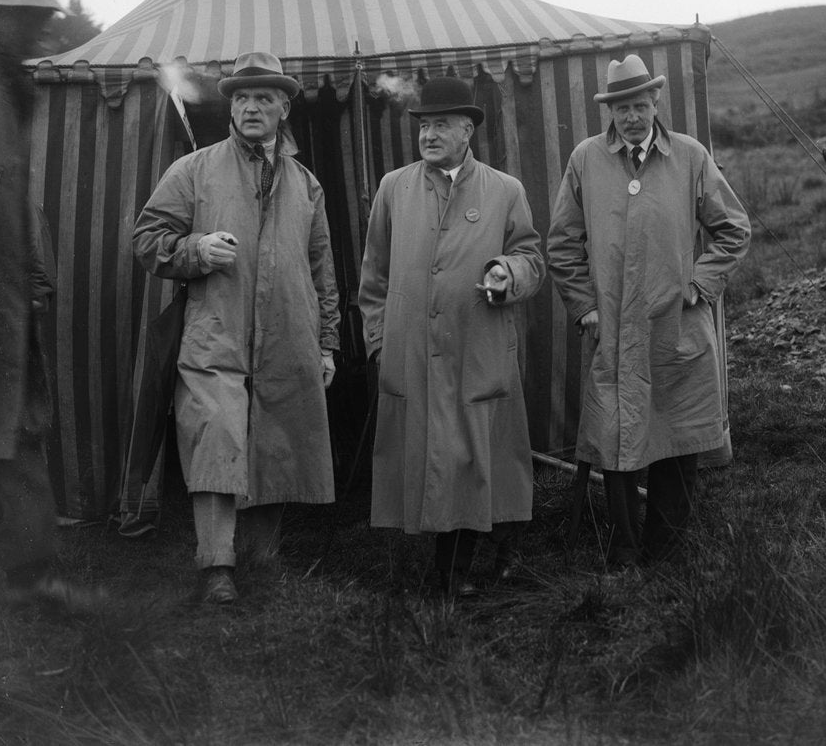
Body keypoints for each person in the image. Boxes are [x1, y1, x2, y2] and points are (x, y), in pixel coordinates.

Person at [133, 52, 340, 603]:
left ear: (284, 109)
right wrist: (196, 249)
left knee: (276, 439)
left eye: (264, 98)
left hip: (289, 332)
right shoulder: (194, 169)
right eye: (242, 98)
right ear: (230, 107)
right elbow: (147, 239)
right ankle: (217, 566)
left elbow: (322, 269)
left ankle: (260, 559)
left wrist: (327, 343)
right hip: (215, 332)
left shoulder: (306, 185)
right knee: (215, 436)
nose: (251, 107)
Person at [547, 54, 751, 570]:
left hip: (674, 326)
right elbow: (562, 243)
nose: (632, 117)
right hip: (613, 328)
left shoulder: (689, 156)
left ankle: (667, 549)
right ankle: (624, 548)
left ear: (656, 103)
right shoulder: (586, 159)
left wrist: (700, 283)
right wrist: (584, 306)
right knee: (615, 435)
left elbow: (734, 229)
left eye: (639, 105)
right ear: (609, 112)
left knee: (677, 435)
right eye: (622, 109)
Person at [358, 77, 545, 597]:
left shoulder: (504, 190)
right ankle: (452, 570)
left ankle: (494, 554)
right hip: (414, 352)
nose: (429, 134)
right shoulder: (394, 188)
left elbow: (532, 259)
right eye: (424, 125)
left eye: (441, 124)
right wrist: (380, 342)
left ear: (468, 131)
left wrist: (508, 272)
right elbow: (373, 275)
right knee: (436, 454)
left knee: (486, 454)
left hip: (479, 347)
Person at [0, 0, 104, 613]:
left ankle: (32, 578)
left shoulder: (6, 89)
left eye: (42, 18)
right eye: (26, 19)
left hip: (3, 306)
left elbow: (7, 207)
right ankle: (31, 577)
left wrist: (26, 281)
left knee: (11, 437)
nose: (38, 32)